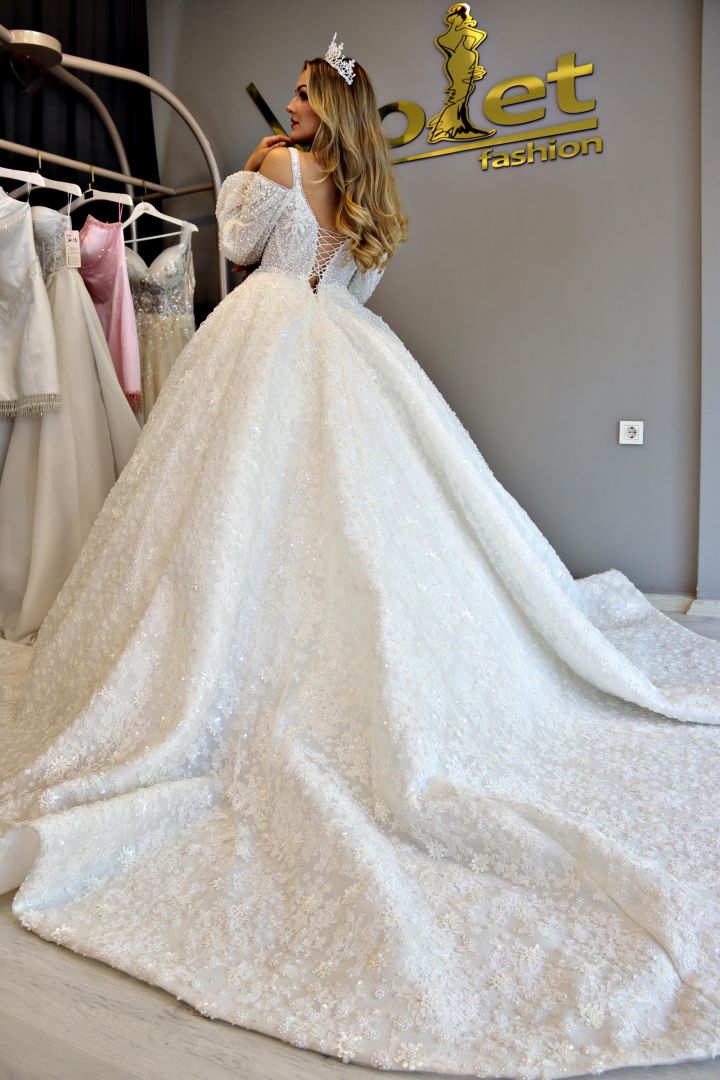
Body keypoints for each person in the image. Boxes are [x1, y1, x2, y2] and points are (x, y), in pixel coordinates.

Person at [1, 36, 719, 1080]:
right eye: (292, 95)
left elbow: (237, 247)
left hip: (262, 337)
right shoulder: (368, 194)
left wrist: (253, 166)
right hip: (339, 339)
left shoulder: (275, 164)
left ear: (324, 108)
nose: (290, 106)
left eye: (303, 94)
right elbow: (357, 288)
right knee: (349, 518)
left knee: (234, 511)